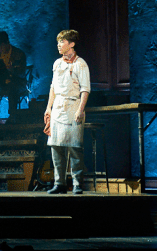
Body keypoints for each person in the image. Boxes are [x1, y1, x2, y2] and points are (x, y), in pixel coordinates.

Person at [44, 29, 91, 195]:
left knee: (74, 148)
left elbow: (85, 89)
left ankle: (77, 184)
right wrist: (48, 107)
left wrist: (80, 109)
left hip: (73, 106)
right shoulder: (57, 63)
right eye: (58, 42)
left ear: (71, 44)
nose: (59, 45)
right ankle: (60, 183)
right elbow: (53, 87)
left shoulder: (80, 64)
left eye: (62, 42)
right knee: (56, 147)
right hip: (58, 107)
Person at [0, 31, 27, 122]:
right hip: (1, 83)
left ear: (7, 43)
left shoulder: (18, 54)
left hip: (17, 83)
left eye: (1, 45)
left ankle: (12, 115)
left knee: (12, 86)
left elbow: (22, 73)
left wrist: (12, 70)